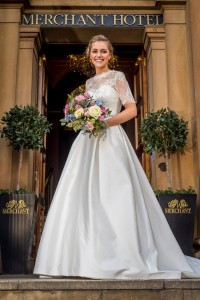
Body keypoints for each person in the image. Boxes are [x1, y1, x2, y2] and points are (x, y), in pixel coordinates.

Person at [34, 35, 200, 279]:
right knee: (83, 194)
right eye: (95, 51)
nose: (99, 55)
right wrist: (84, 120)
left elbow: (132, 110)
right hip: (88, 142)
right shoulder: (89, 83)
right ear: (89, 54)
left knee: (115, 193)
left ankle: (123, 254)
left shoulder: (118, 77)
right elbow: (88, 113)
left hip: (111, 139)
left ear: (110, 54)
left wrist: (104, 121)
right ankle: (83, 258)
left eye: (103, 51)